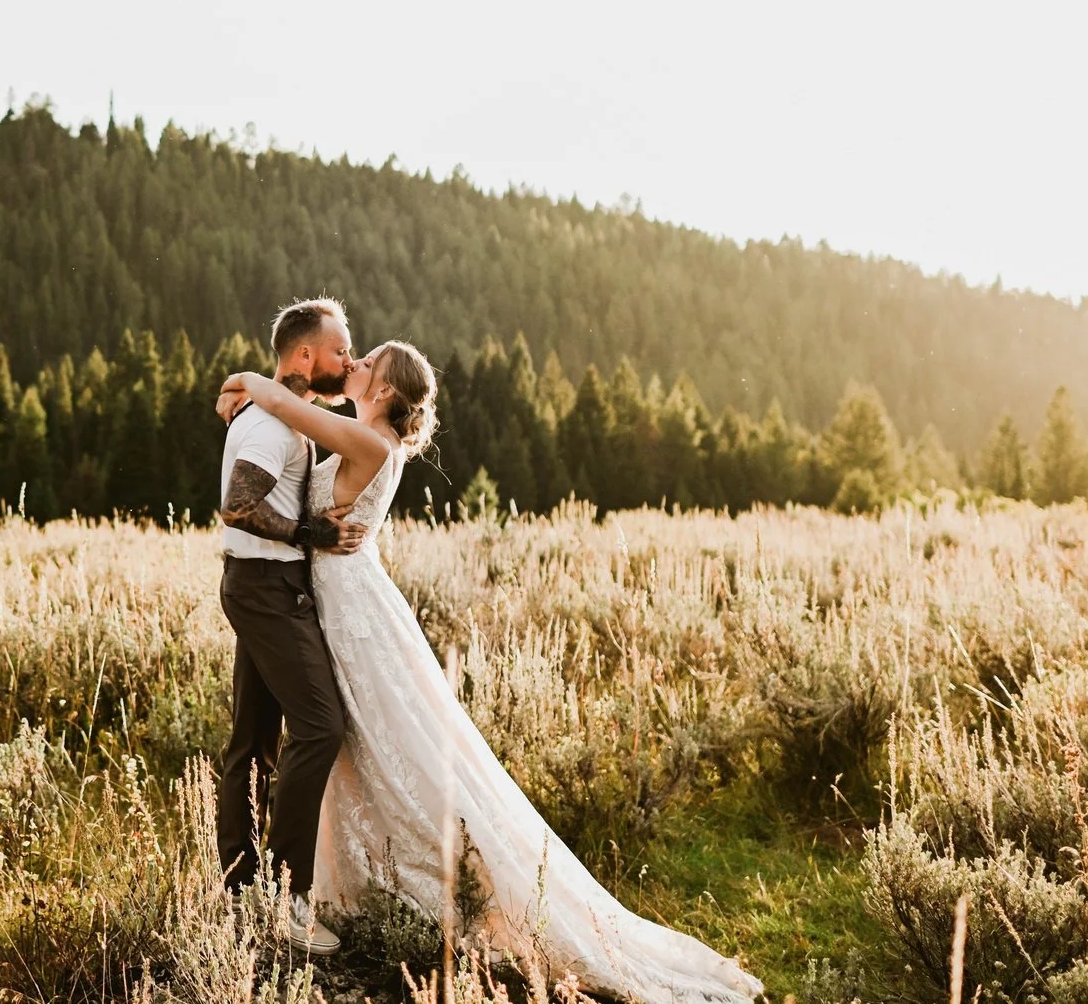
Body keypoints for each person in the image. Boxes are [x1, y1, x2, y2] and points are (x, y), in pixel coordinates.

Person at [218, 344, 764, 1004]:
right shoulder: (373, 435)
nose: (354, 361)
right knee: (361, 746)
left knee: (393, 749)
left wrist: (247, 380)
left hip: (351, 613)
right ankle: (327, 889)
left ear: (386, 389)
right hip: (340, 604)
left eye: (367, 361)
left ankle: (403, 887)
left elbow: (282, 405)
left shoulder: (370, 439)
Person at [215, 297, 368, 956]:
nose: (348, 360)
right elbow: (238, 504)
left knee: (253, 741)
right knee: (319, 725)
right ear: (304, 355)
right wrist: (311, 531)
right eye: (339, 349)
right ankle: (284, 898)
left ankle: (241, 890)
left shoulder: (283, 415)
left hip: (262, 584)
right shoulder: (271, 428)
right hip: (266, 589)